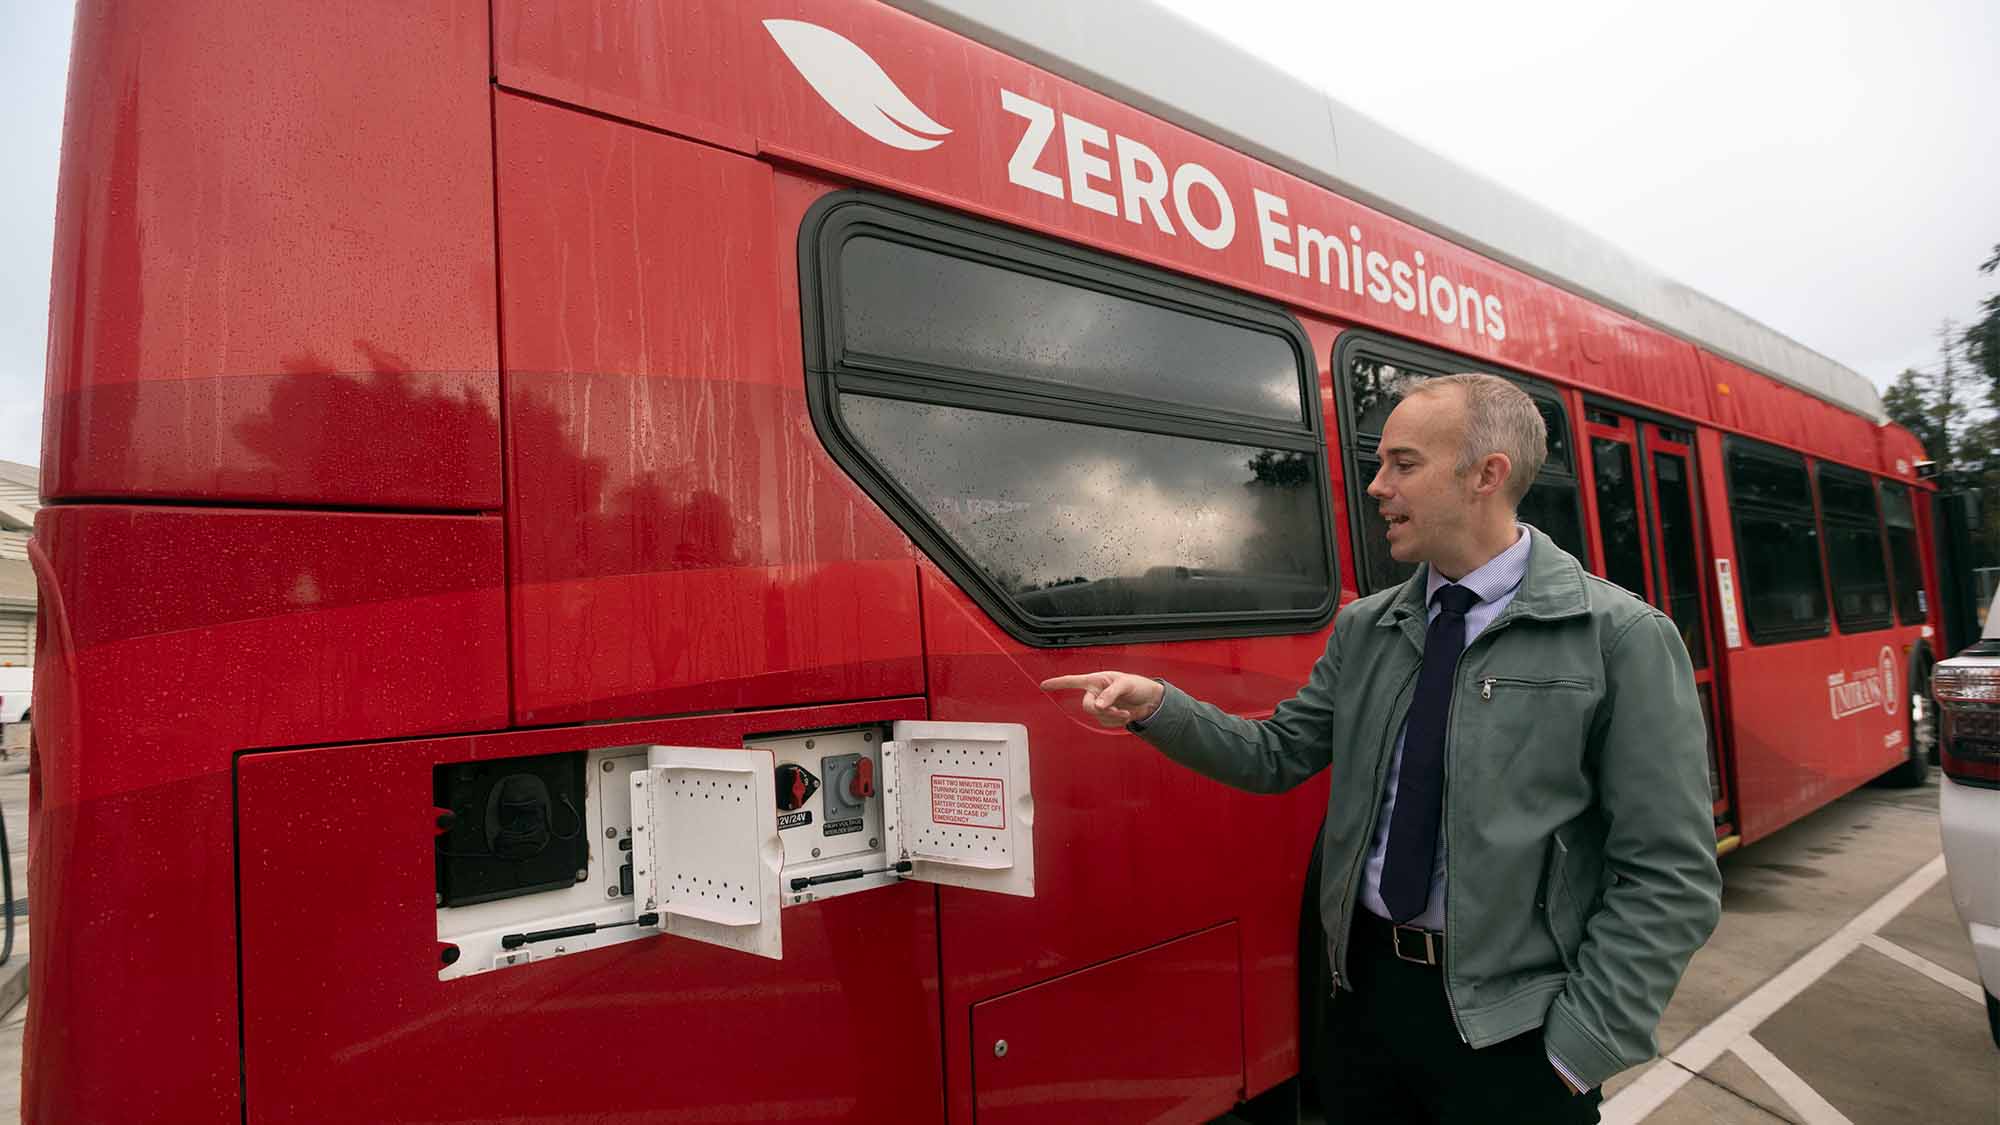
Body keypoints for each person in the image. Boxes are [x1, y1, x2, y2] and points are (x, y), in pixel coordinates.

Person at [1042, 373, 1721, 1124]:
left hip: (1515, 1032)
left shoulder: (1618, 637)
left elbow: (1669, 874)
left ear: (1486, 474)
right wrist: (1160, 708)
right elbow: (1275, 753)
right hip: (1365, 1006)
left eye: (1403, 463)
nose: (1375, 486)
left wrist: (1578, 1048)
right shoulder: (1369, 629)